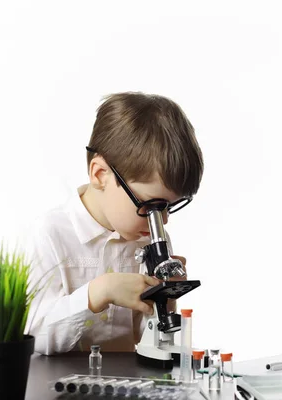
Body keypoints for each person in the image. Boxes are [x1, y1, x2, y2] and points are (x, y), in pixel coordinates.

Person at [26, 92, 204, 355]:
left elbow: (147, 341)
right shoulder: (50, 234)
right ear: (100, 175)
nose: (162, 220)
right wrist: (99, 292)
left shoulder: (150, 236)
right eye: (150, 205)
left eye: (168, 207)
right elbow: (34, 336)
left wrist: (164, 300)